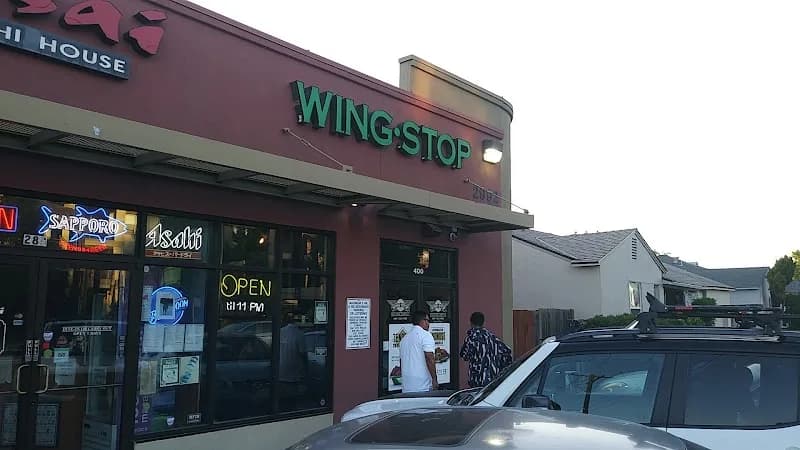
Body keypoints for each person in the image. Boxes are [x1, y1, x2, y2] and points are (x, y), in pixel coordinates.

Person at [459, 312, 512, 388]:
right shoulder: (492, 337)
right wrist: (501, 368)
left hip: (477, 378)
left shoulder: (471, 338)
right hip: (493, 377)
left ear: (471, 322)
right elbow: (507, 351)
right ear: (483, 323)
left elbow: (464, 356)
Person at [399, 311, 438, 393]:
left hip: (407, 385)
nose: (428, 323)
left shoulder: (404, 339)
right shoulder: (425, 335)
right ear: (422, 321)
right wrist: (434, 379)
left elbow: (401, 361)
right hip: (423, 385)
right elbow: (429, 358)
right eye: (428, 320)